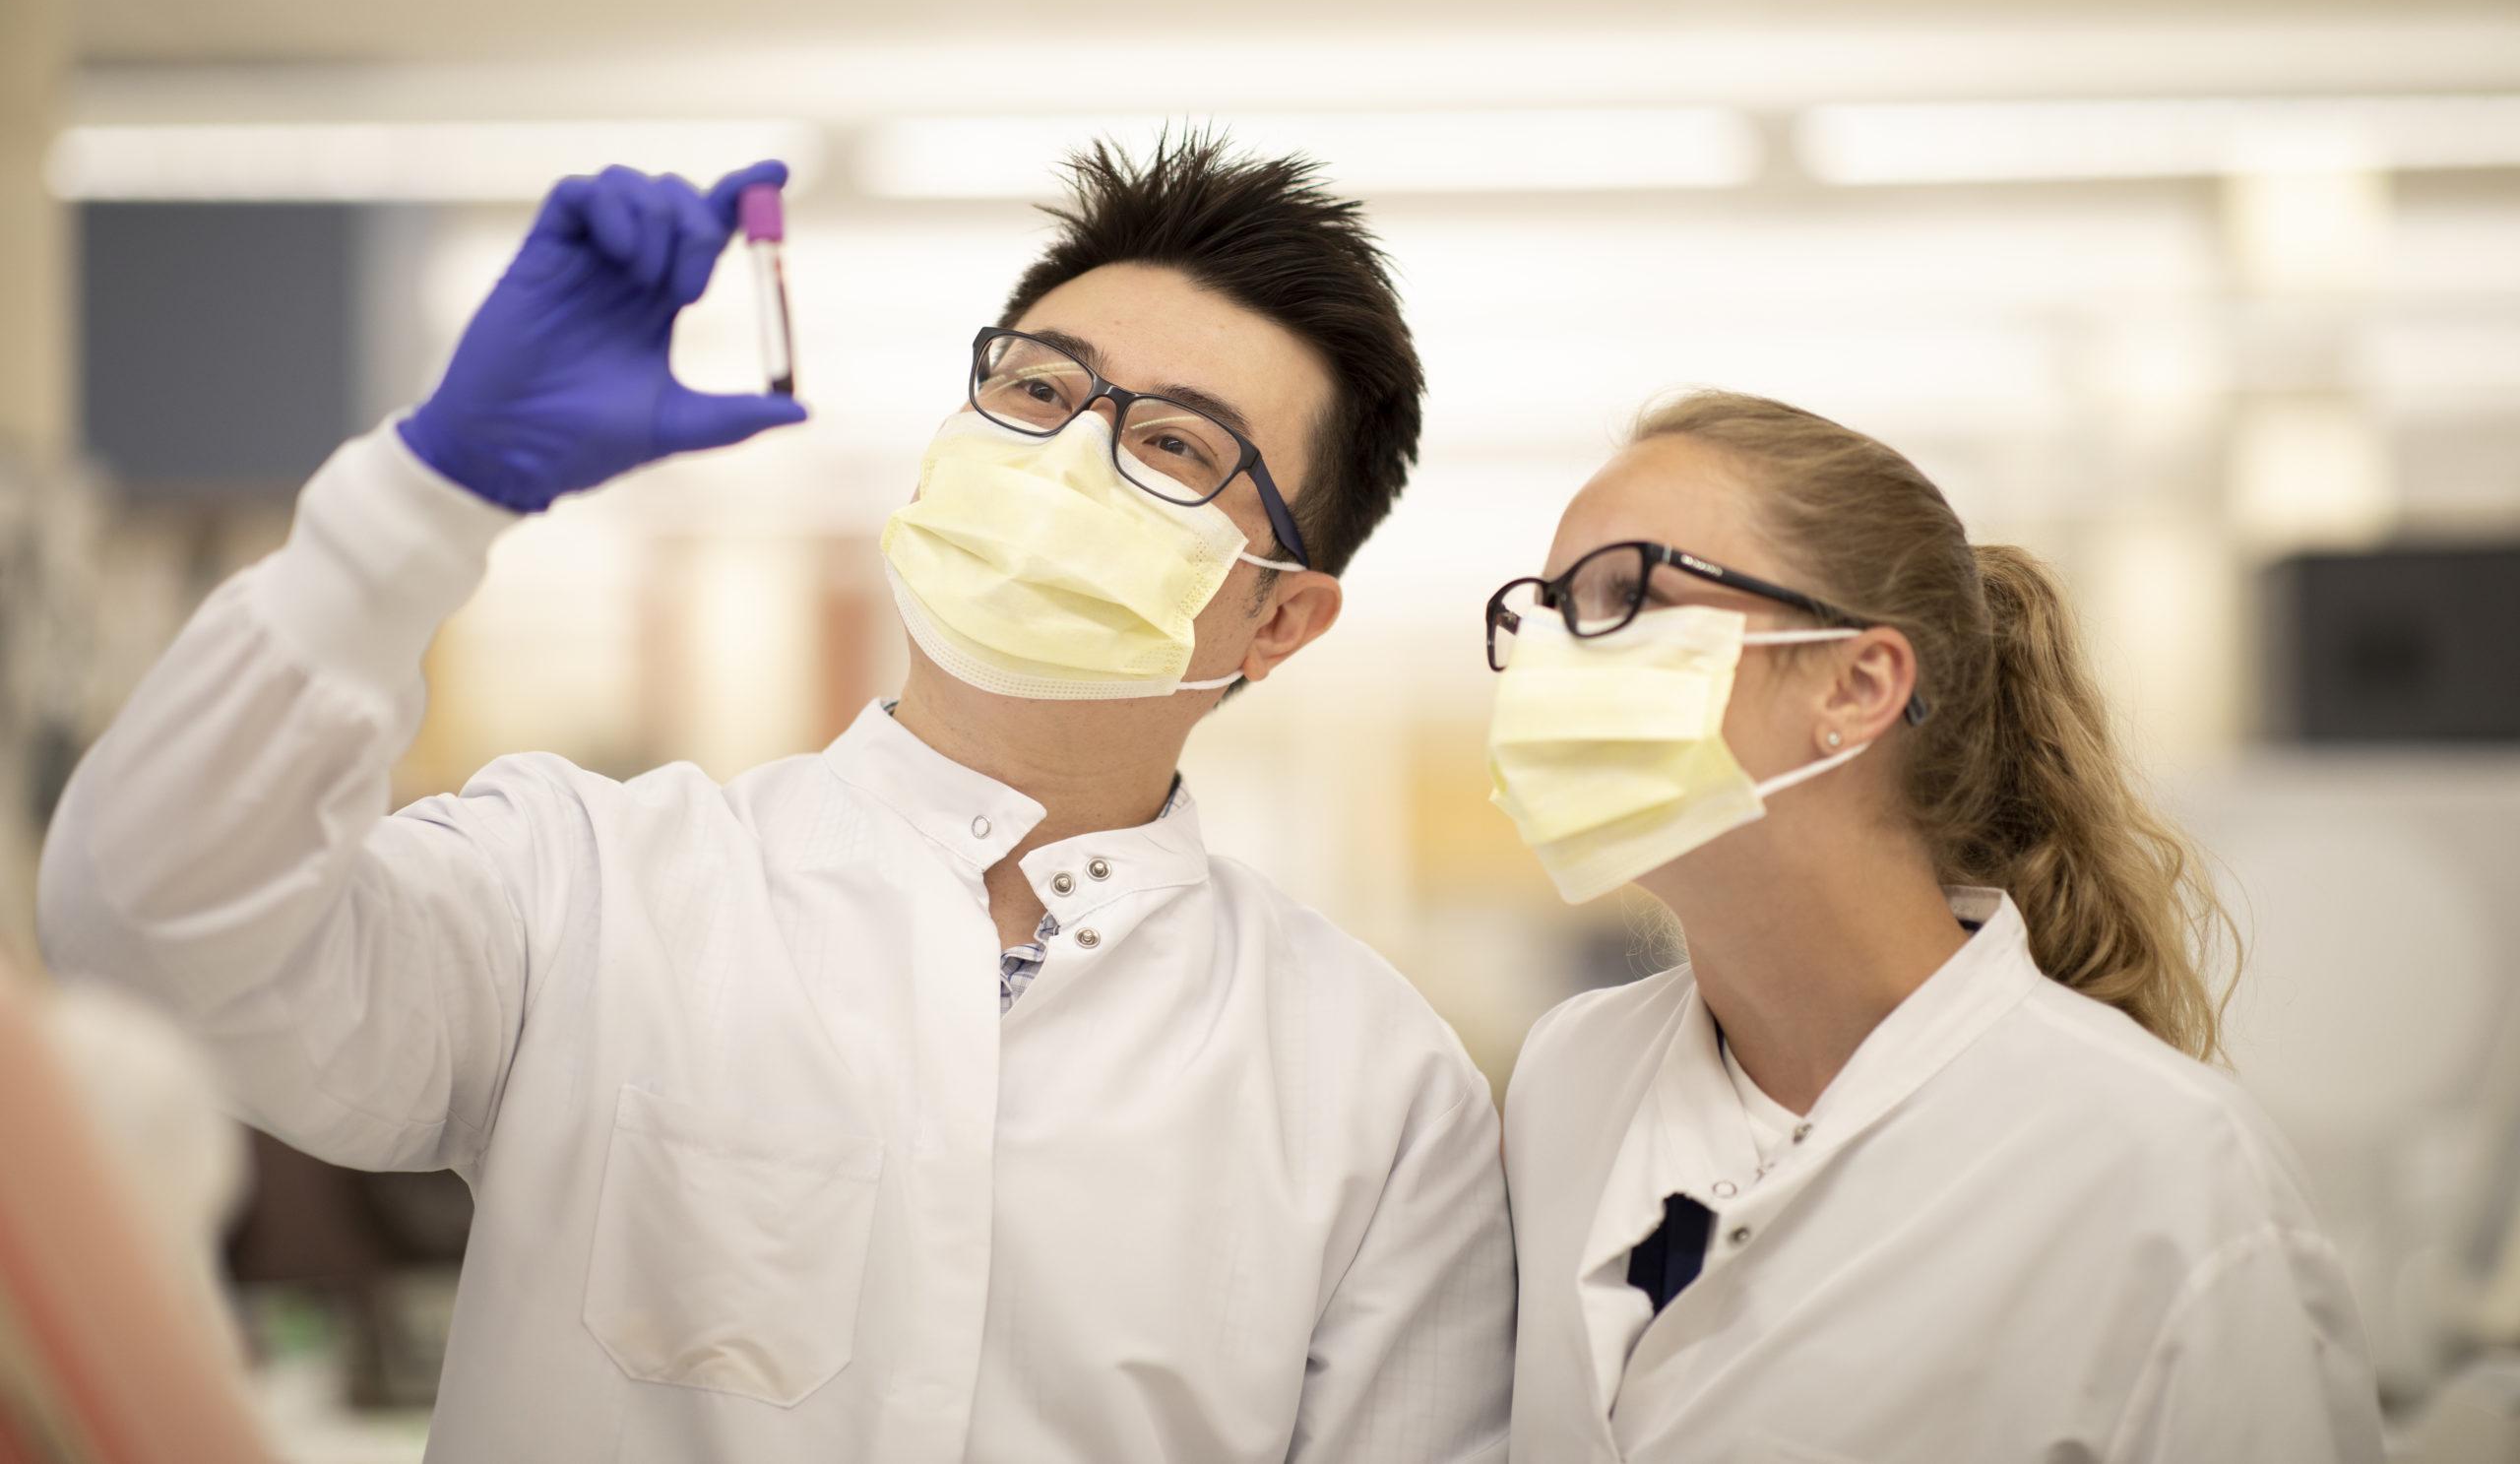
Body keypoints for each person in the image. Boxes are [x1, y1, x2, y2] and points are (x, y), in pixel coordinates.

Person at [38, 135, 1514, 1463]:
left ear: (1278, 623)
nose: (1069, 456)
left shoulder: (1372, 1086)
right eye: (1039, 388)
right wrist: (429, 494)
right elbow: (147, 927)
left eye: (1177, 444)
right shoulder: (588, 885)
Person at [1484, 390, 2383, 1462]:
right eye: (1547, 607)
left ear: (1858, 683)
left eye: (1630, 596)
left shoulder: (2165, 1169)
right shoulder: (1570, 1076)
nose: (1555, 658)